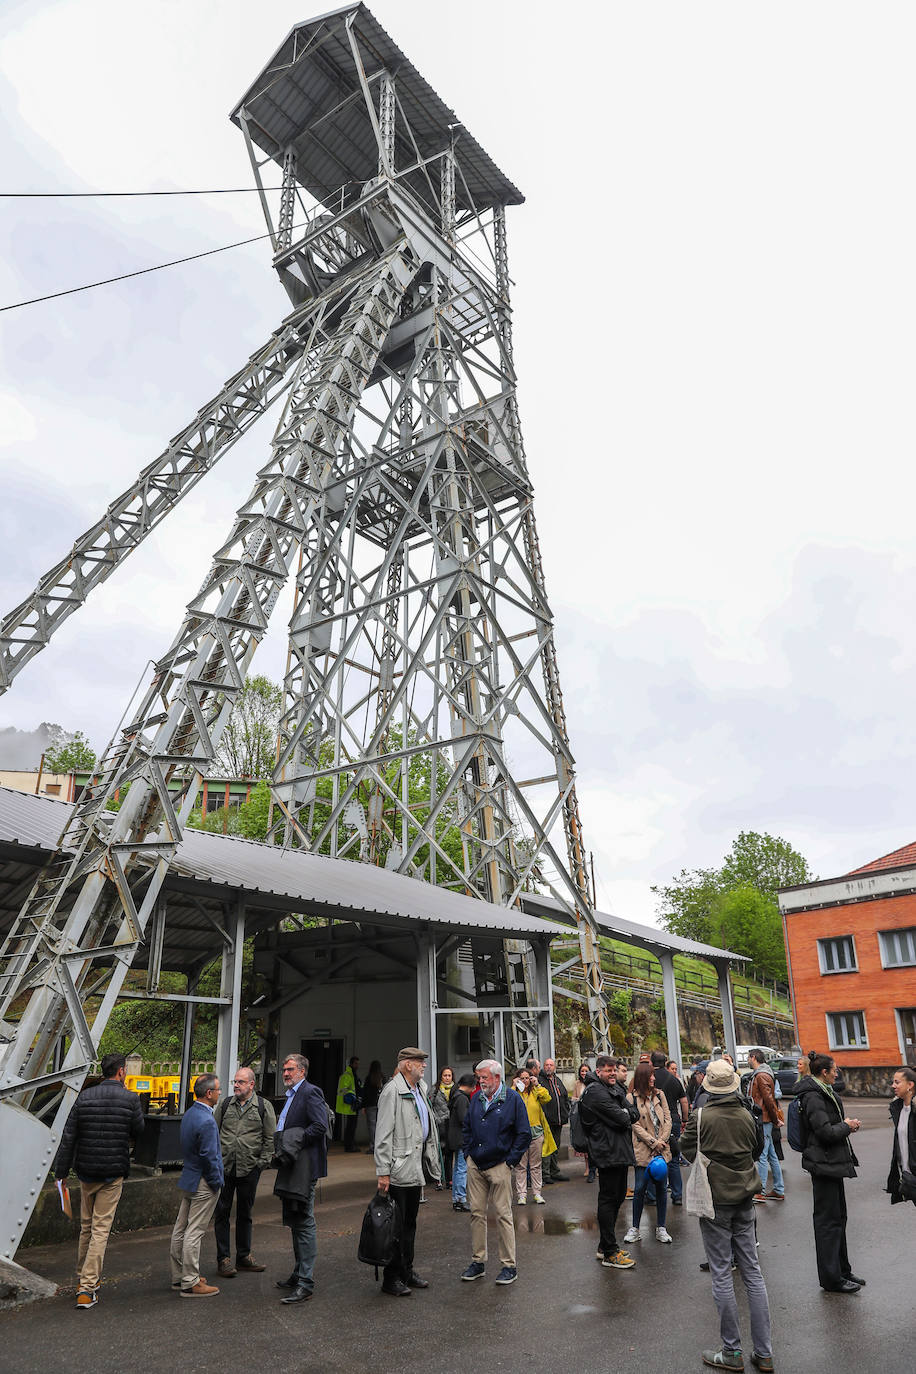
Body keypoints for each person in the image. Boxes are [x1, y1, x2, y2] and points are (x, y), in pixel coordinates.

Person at [681, 1058, 774, 1372]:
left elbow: (686, 1150)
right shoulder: (748, 1114)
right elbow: (757, 1150)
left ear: (708, 1085)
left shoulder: (701, 1116)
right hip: (745, 1196)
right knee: (752, 1272)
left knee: (721, 1272)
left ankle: (732, 1351)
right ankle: (764, 1352)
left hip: (714, 1199)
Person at [53, 1051, 145, 1310]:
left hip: (86, 1172)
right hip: (112, 1172)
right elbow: (139, 1129)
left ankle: (83, 1277)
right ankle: (87, 1287)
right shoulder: (130, 1099)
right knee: (101, 1229)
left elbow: (68, 1137)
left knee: (86, 1227)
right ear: (121, 1071)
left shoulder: (84, 1097)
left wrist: (60, 1174)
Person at [793, 1049, 863, 1294]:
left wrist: (843, 1126)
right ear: (824, 1072)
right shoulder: (814, 1096)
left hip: (830, 1163)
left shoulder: (823, 1091)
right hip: (823, 1164)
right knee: (828, 1223)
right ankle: (832, 1278)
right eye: (834, 1070)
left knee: (839, 1218)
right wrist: (846, 1126)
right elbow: (824, 1132)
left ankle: (843, 1270)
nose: (837, 1074)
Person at [374, 1047, 440, 1296]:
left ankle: (406, 1270)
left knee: (410, 1224)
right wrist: (383, 1171)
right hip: (399, 1169)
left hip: (414, 1166)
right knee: (395, 1227)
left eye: (423, 1061)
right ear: (406, 1065)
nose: (424, 1065)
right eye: (419, 1061)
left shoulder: (419, 1089)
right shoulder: (393, 1091)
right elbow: (382, 1135)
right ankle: (391, 1278)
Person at [460, 1058, 531, 1286]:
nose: (480, 1082)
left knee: (503, 1216)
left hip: (500, 1165)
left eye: (484, 1078)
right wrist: (468, 1154)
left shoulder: (512, 1099)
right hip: (476, 1165)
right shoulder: (476, 1098)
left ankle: (509, 1266)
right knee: (476, 1213)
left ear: (497, 1077)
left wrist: (510, 1161)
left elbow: (523, 1134)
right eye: (478, 1078)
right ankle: (478, 1262)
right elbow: (467, 1127)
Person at [273, 1053, 329, 1304]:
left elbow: (320, 1126)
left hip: (304, 1168)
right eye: (284, 1070)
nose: (285, 1073)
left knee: (304, 1221)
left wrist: (293, 1139)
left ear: (302, 1071)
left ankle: (306, 1282)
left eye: (290, 1069)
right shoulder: (292, 1096)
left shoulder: (310, 1092)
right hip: (292, 1166)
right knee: (295, 1220)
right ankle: (298, 1274)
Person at [213, 1065, 276, 1278]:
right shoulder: (224, 1105)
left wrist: (262, 1163)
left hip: (250, 1169)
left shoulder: (263, 1106)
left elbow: (270, 1138)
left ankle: (244, 1256)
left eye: (240, 1082)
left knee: (245, 1214)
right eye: (235, 1082)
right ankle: (223, 1259)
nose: (236, 1086)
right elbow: (215, 1132)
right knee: (222, 1213)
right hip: (225, 1167)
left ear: (251, 1084)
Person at [579, 1054, 639, 1269]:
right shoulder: (595, 1091)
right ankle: (610, 1252)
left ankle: (605, 1246)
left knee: (618, 1196)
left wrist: (624, 1113)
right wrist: (624, 1114)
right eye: (608, 1070)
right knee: (608, 1199)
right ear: (599, 1071)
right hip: (607, 1152)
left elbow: (634, 1114)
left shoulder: (613, 1089)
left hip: (619, 1150)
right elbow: (624, 1118)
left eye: (615, 1069)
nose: (613, 1073)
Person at [170, 1073, 224, 1298]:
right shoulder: (207, 1120)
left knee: (180, 1229)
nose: (220, 1093)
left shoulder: (190, 1114)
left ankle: (179, 1276)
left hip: (189, 1177)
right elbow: (210, 1156)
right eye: (218, 1090)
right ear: (209, 1093)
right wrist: (216, 1182)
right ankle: (191, 1281)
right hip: (204, 1181)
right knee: (195, 1231)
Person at [624, 1062, 673, 1245]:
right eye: (650, 1075)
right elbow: (634, 1124)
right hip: (643, 1150)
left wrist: (661, 1141)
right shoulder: (631, 1097)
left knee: (661, 1189)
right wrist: (652, 1142)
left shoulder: (660, 1094)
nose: (653, 1078)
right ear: (642, 1077)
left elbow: (668, 1118)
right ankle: (635, 1228)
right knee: (639, 1189)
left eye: (654, 1075)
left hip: (661, 1149)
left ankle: (661, 1227)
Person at [512, 1068, 556, 1204]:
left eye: (527, 1078)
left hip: (536, 1132)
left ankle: (537, 1193)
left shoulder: (535, 1091)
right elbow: (506, 1100)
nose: (525, 1081)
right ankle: (521, 1195)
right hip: (520, 1134)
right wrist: (514, 1086)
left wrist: (537, 1084)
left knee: (536, 1166)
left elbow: (547, 1098)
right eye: (522, 1078)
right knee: (520, 1166)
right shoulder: (514, 1093)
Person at [650, 1050, 687, 1205]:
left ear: (651, 1063)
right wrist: (685, 1118)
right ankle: (677, 1195)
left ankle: (653, 1195)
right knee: (673, 1158)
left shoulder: (649, 1079)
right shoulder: (674, 1079)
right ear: (665, 1062)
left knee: (654, 1157)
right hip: (673, 1120)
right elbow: (684, 1101)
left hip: (654, 1122)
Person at [747, 1049, 784, 1203]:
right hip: (766, 1118)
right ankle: (778, 1189)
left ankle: (760, 1190)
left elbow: (769, 1100)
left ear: (753, 1057)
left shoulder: (761, 1075)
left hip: (764, 1119)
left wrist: (775, 1119)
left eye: (748, 1058)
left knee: (762, 1154)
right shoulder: (763, 1073)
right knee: (771, 1155)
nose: (747, 1061)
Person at [886, 1066, 916, 1206]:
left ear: (910, 1085)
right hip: (908, 1176)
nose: (893, 1086)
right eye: (893, 1082)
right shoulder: (898, 1108)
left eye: (897, 1082)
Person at [538, 1057, 570, 1182]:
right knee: (547, 1148)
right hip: (547, 1121)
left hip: (559, 1120)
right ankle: (546, 1174)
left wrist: (566, 1111)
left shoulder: (557, 1080)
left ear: (554, 1067)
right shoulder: (540, 1081)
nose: (549, 1067)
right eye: (546, 1065)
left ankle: (554, 1170)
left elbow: (565, 1097)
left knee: (555, 1147)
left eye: (551, 1065)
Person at [449, 1073, 476, 1211]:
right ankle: (460, 1198)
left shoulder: (456, 1096)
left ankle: (457, 1198)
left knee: (457, 1169)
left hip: (455, 1137)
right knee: (461, 1169)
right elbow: (464, 1119)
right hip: (461, 1139)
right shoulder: (462, 1099)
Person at [429, 1066, 455, 1188]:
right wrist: (435, 1119)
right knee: (438, 1153)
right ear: (441, 1077)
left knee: (449, 1154)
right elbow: (429, 1106)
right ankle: (438, 1179)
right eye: (445, 1075)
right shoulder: (434, 1090)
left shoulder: (456, 1090)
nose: (447, 1078)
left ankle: (449, 1180)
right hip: (438, 1125)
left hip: (451, 1125)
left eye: (449, 1075)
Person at [572, 1062, 597, 1179]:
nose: (584, 1073)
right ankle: (587, 1167)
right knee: (584, 1143)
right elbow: (573, 1098)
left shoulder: (593, 1084)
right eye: (582, 1071)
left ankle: (595, 1168)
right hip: (581, 1115)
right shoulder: (577, 1084)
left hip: (592, 1115)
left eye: (586, 1071)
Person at [336, 1054, 362, 1153]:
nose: (357, 1066)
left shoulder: (352, 1075)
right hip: (351, 1104)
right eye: (355, 1063)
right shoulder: (348, 1075)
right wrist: (353, 1099)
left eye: (358, 1064)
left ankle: (350, 1145)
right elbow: (345, 1090)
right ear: (351, 1064)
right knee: (351, 1126)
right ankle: (349, 1146)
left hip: (354, 1104)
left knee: (352, 1126)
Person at [362, 1060, 385, 1154]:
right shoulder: (382, 1078)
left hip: (370, 1105)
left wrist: (363, 1106)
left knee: (372, 1127)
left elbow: (365, 1094)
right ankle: (380, 1147)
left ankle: (373, 1146)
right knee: (380, 1126)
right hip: (380, 1105)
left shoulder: (369, 1078)